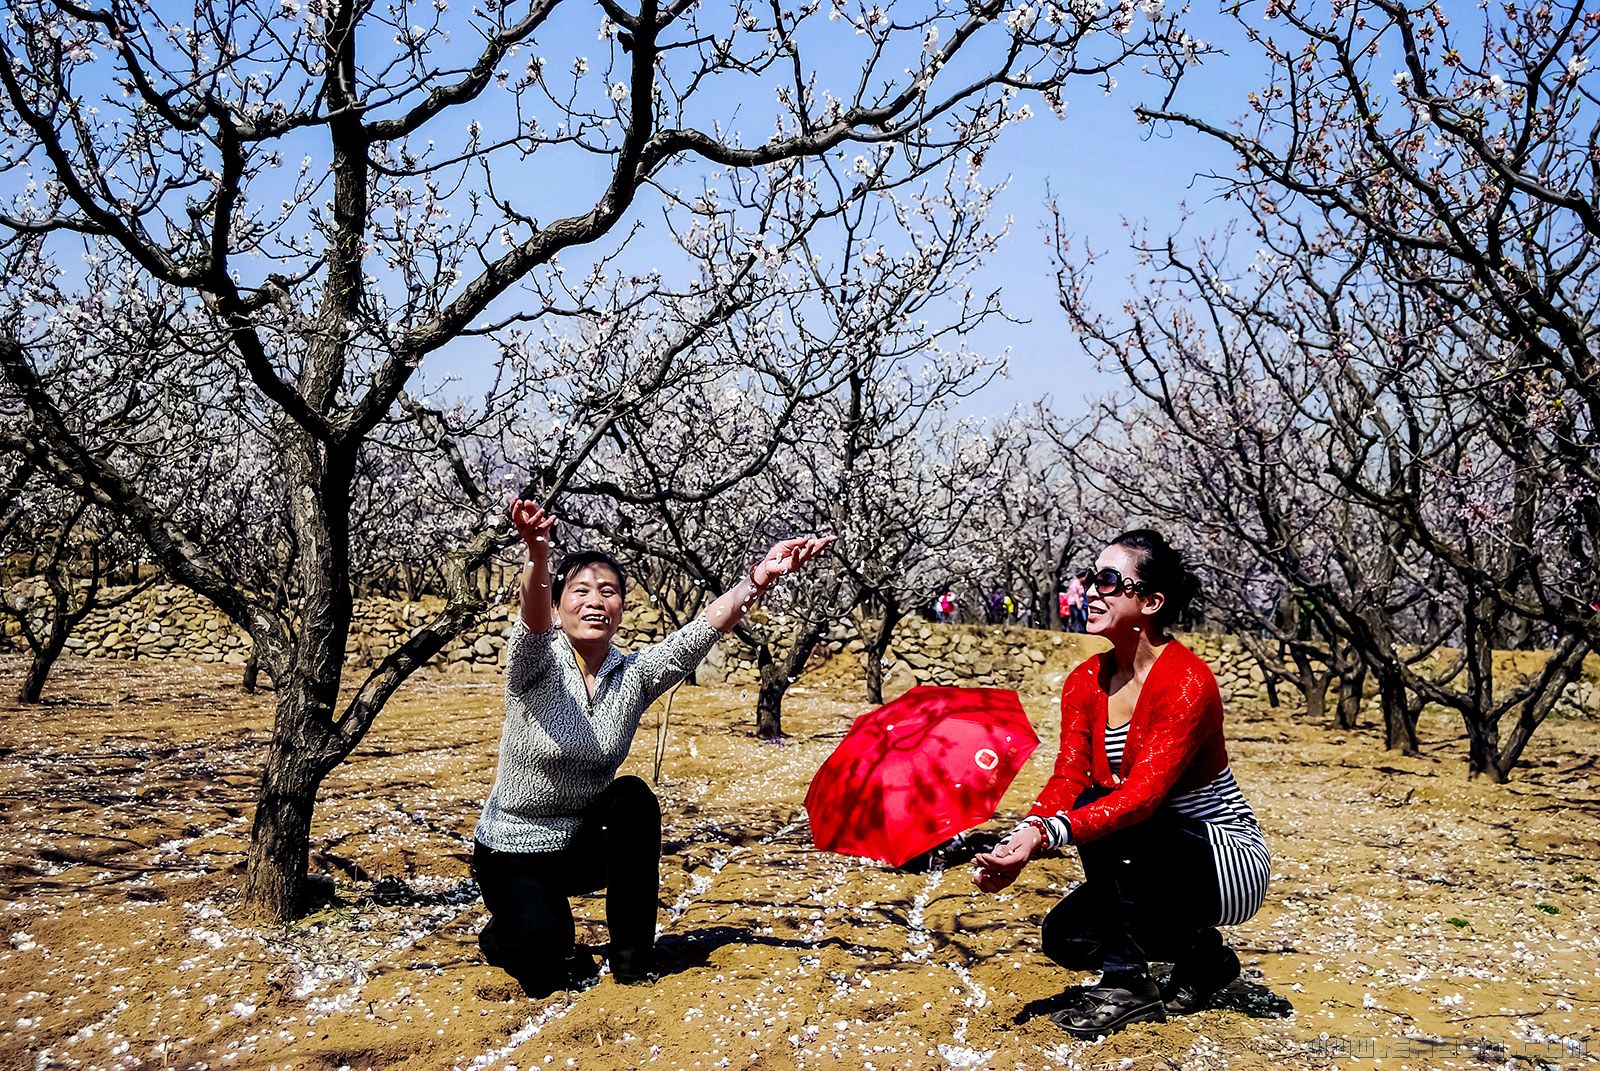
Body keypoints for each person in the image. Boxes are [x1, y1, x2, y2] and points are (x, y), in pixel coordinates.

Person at [473, 498, 833, 996]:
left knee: (633, 797)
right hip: (512, 846)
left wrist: (759, 578)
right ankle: (508, 930)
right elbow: (532, 622)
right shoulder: (535, 664)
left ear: (622, 606)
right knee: (547, 957)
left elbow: (701, 632)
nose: (596, 601)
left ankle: (631, 960)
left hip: (578, 843)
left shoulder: (634, 674)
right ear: (558, 605)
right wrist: (537, 551)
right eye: (580, 591)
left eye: (609, 591)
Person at [972, 529, 1269, 1039]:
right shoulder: (1086, 679)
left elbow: (1141, 797)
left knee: (1109, 808)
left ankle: (1128, 986)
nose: (1090, 590)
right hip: (1148, 846)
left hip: (1224, 862)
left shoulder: (1187, 683)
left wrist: (1048, 835)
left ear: (1151, 601)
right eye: (1091, 578)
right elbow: (1069, 774)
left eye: (1109, 581)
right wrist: (1023, 834)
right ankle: (1203, 958)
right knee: (1066, 938)